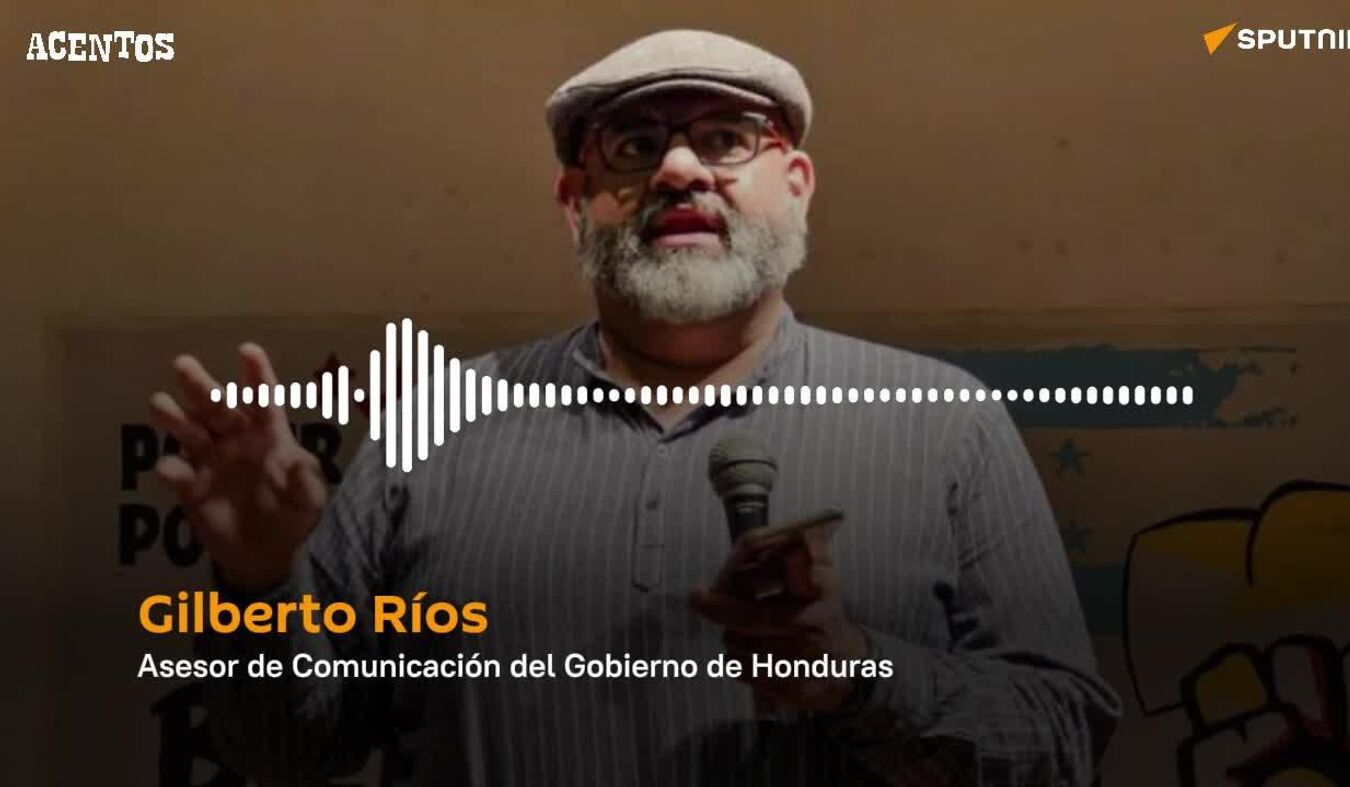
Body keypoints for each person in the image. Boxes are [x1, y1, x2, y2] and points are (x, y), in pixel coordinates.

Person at [151, 29, 1120, 786]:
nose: (679, 170)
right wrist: (258, 584)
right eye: (634, 144)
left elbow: (1062, 743)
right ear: (574, 200)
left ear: (796, 186)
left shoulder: (944, 423)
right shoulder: (430, 427)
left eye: (726, 138)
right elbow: (284, 753)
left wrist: (856, 672)